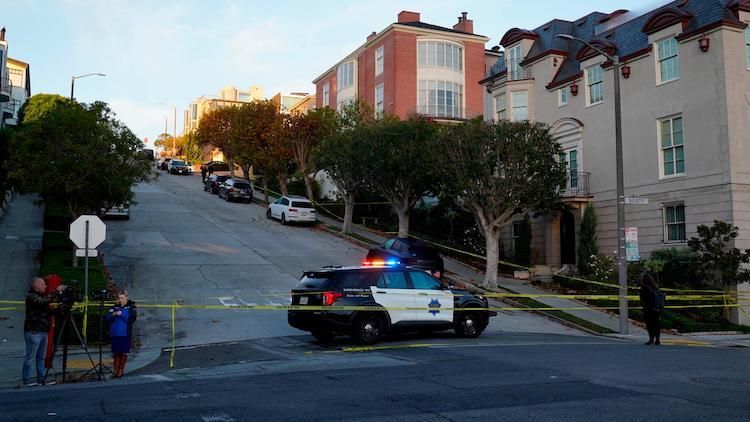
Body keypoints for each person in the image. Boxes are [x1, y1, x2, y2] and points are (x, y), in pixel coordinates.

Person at [23, 277, 65, 386]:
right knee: (30, 357)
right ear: (36, 285)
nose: (45, 286)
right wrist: (56, 291)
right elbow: (42, 302)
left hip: (43, 331)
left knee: (41, 357)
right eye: (43, 284)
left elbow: (48, 310)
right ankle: (26, 380)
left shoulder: (42, 297)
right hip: (34, 331)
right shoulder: (31, 296)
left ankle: (41, 379)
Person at [105, 290, 137, 378]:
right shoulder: (115, 306)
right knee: (115, 353)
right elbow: (107, 317)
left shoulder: (131, 307)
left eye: (122, 298)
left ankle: (121, 370)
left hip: (125, 333)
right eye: (119, 298)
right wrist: (113, 314)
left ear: (127, 297)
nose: (121, 300)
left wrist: (121, 314)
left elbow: (131, 319)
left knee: (123, 353)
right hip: (115, 333)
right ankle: (115, 370)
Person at [640, 272, 663, 345]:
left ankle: (651, 339)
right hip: (657, 308)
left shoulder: (644, 288)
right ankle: (658, 339)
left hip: (648, 308)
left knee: (649, 324)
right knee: (656, 324)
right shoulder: (656, 287)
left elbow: (643, 299)